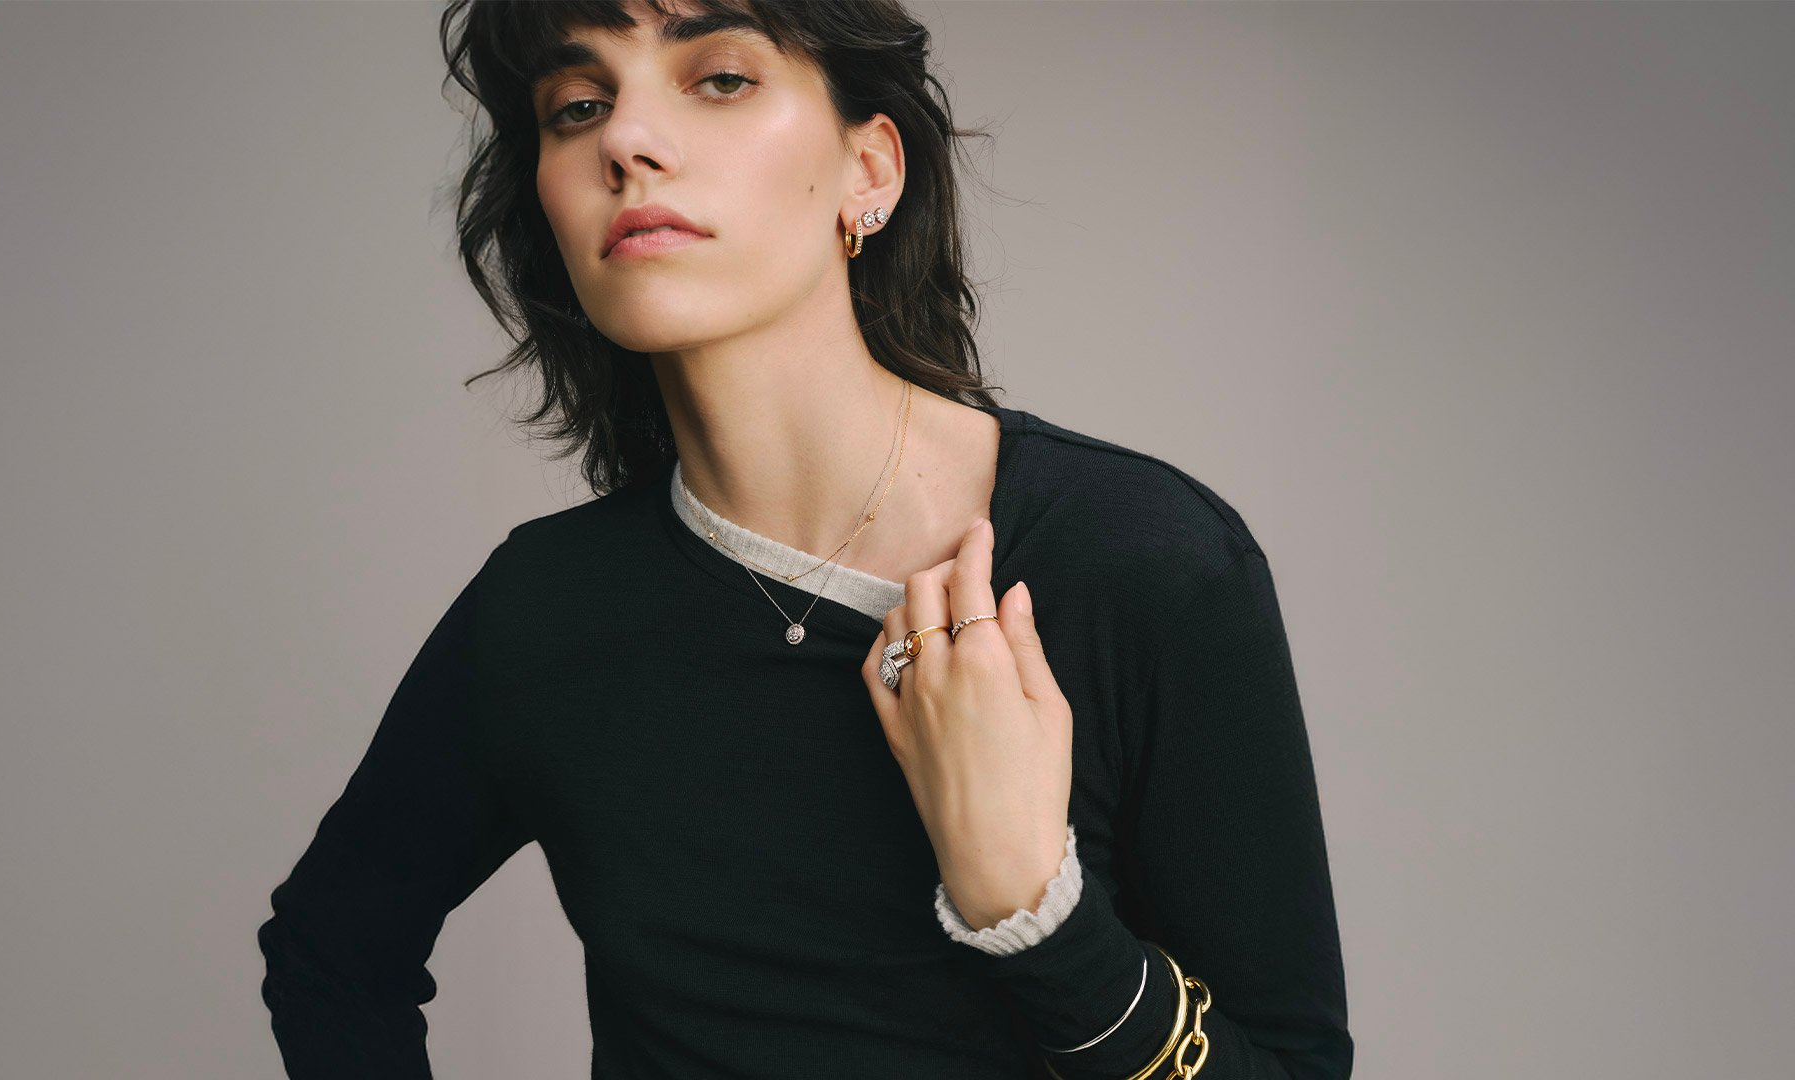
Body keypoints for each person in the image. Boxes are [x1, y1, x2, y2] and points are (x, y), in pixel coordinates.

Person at [256, 1, 1353, 1077]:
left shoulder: (1140, 563)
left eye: (720, 79)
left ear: (870, 170)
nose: (625, 141)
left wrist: (1033, 909)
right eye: (578, 106)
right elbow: (330, 953)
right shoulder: (546, 607)